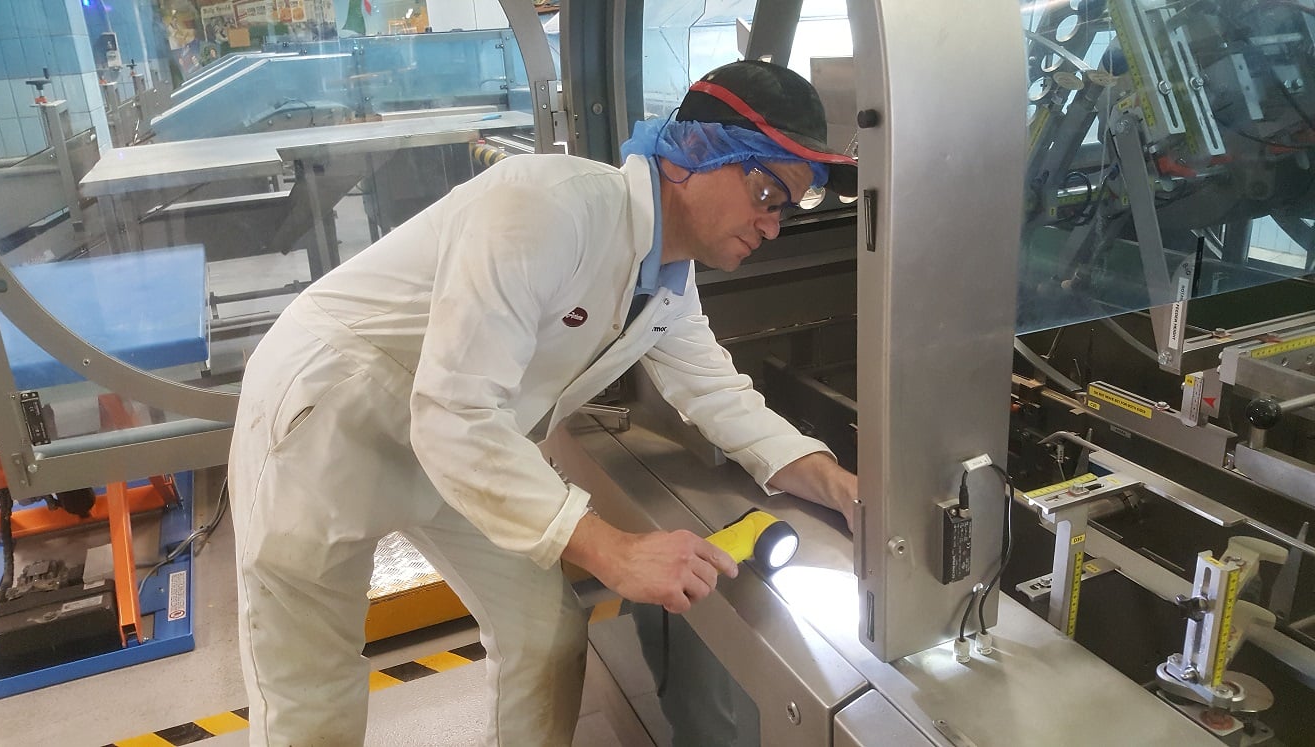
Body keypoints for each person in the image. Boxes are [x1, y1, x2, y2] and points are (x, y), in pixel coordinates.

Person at [228, 59, 858, 746]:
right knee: (311, 693)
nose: (772, 226)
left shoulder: (670, 287)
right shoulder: (551, 205)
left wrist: (845, 489)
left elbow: (719, 394)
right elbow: (452, 411)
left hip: (469, 446)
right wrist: (612, 549)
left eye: (791, 206)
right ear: (694, 154)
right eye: (767, 190)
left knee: (545, 632)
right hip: (332, 411)